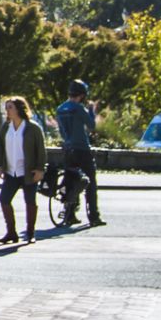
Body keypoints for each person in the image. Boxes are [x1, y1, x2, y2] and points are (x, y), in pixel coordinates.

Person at [55, 78, 103, 228]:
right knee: (90, 182)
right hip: (82, 148)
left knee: (72, 181)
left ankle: (70, 214)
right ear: (82, 95)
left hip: (68, 149)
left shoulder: (60, 109)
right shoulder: (78, 108)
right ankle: (94, 216)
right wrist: (91, 110)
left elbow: (62, 132)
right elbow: (91, 124)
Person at [0, 95, 46, 243]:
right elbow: (1, 147)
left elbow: (41, 150)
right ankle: (11, 232)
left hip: (28, 172)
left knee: (30, 201)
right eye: (6, 108)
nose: (7, 110)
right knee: (4, 199)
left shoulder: (33, 128)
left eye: (10, 107)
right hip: (11, 171)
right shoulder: (6, 127)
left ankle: (30, 233)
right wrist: (1, 166)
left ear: (19, 109)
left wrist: (40, 169)